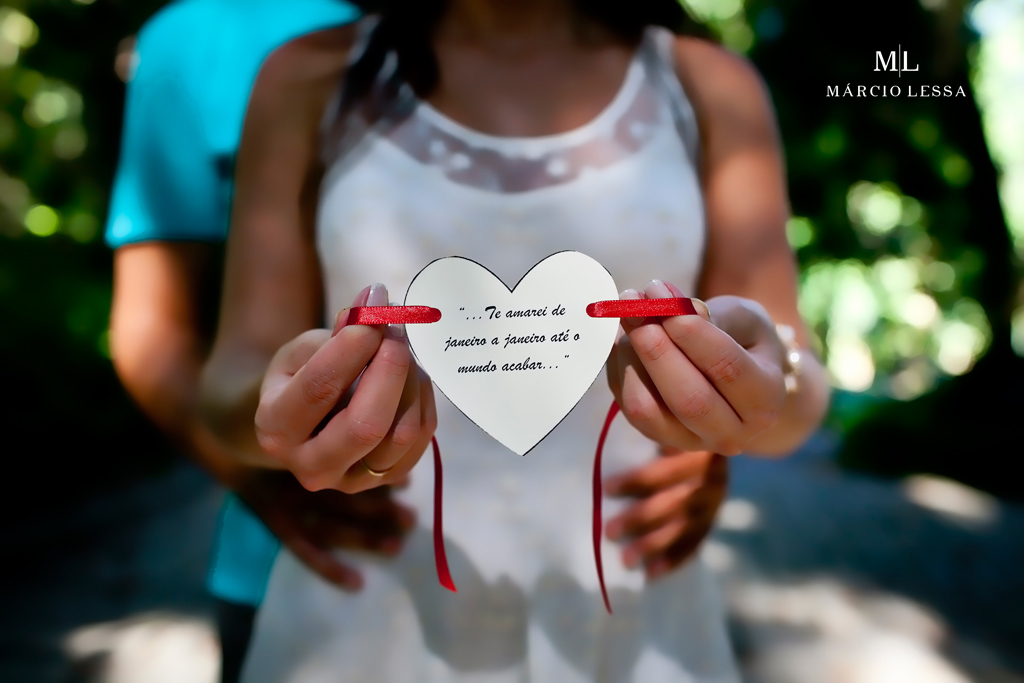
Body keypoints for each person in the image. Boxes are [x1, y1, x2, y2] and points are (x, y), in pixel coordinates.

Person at [200, 0, 830, 679]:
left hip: (634, 621)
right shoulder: (309, 79)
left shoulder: (707, 86)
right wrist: (289, 421)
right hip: (366, 619)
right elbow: (232, 381)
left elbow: (793, 384)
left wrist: (761, 388)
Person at [100, 0, 418, 680]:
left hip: (603, 565)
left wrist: (696, 446)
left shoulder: (627, 47)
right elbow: (152, 326)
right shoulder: (203, 38)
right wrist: (263, 478)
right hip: (315, 571)